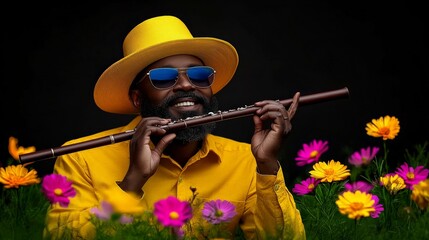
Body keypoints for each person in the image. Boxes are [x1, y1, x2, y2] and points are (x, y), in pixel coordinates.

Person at [44, 15, 305, 239]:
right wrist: (132, 183)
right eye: (163, 77)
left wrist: (268, 165)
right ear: (137, 98)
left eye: (199, 75)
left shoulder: (248, 162)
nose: (186, 85)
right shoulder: (80, 158)